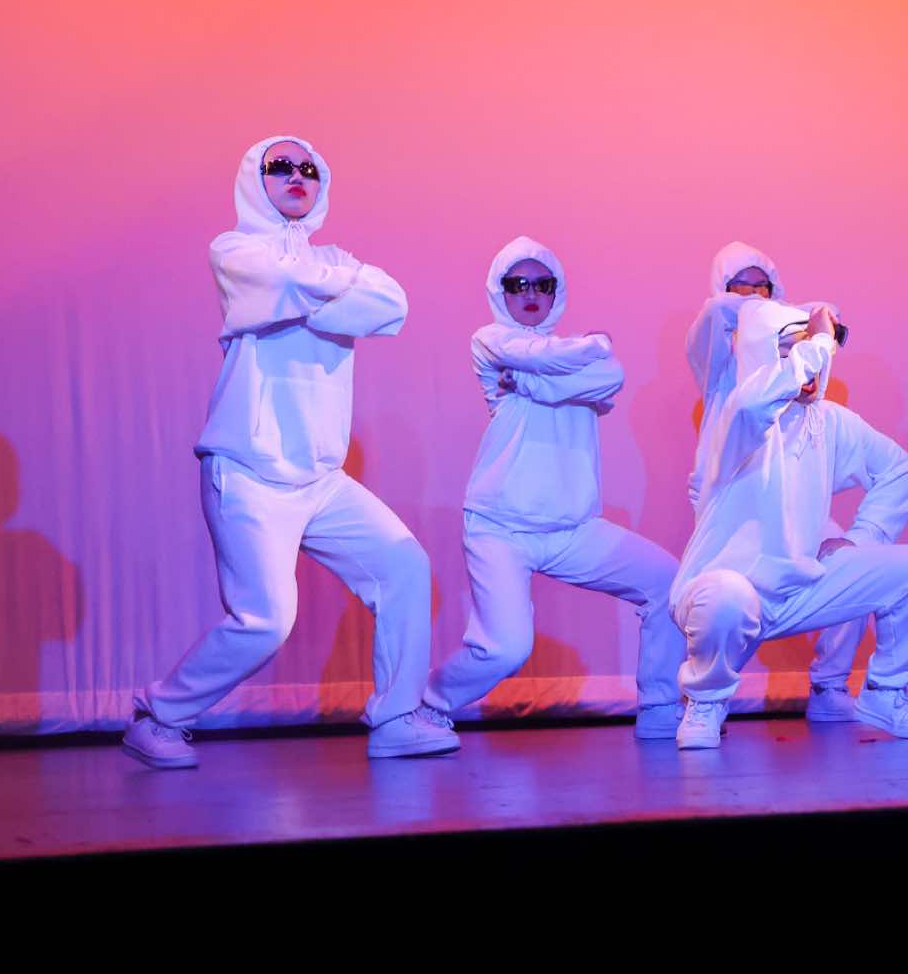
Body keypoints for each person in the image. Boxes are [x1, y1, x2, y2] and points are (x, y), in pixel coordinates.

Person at [123, 136, 457, 768]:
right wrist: (339, 295)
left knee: (404, 566)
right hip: (249, 468)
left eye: (309, 168)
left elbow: (392, 305)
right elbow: (284, 282)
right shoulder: (234, 249)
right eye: (280, 166)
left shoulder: (333, 256)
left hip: (321, 476)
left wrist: (307, 295)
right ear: (256, 178)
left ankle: (396, 718)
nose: (296, 176)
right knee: (265, 623)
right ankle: (159, 715)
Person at [422, 237, 688, 739]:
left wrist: (527, 384)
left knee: (667, 583)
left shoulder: (563, 360)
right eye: (517, 283)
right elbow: (549, 359)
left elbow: (612, 376)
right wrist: (593, 347)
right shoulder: (490, 340)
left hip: (573, 528)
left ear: (556, 291)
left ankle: (659, 707)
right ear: (499, 291)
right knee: (505, 648)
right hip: (500, 528)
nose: (529, 293)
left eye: (542, 284)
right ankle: (426, 704)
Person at [671, 297, 908, 748]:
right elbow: (759, 401)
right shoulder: (737, 414)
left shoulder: (829, 420)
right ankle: (705, 702)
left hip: (800, 587)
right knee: (727, 597)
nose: (808, 361)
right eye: (787, 348)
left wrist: (859, 539)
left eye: (810, 347)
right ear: (760, 352)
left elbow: (899, 470)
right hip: (730, 588)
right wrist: (818, 340)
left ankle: (886, 692)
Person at [684, 242, 868, 723]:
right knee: (730, 602)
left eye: (760, 287)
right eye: (738, 287)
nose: (750, 296)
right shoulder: (718, 357)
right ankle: (706, 700)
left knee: (851, 566)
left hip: (790, 494)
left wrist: (806, 328)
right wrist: (801, 320)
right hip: (731, 496)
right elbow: (715, 316)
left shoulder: (786, 347)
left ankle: (830, 685)